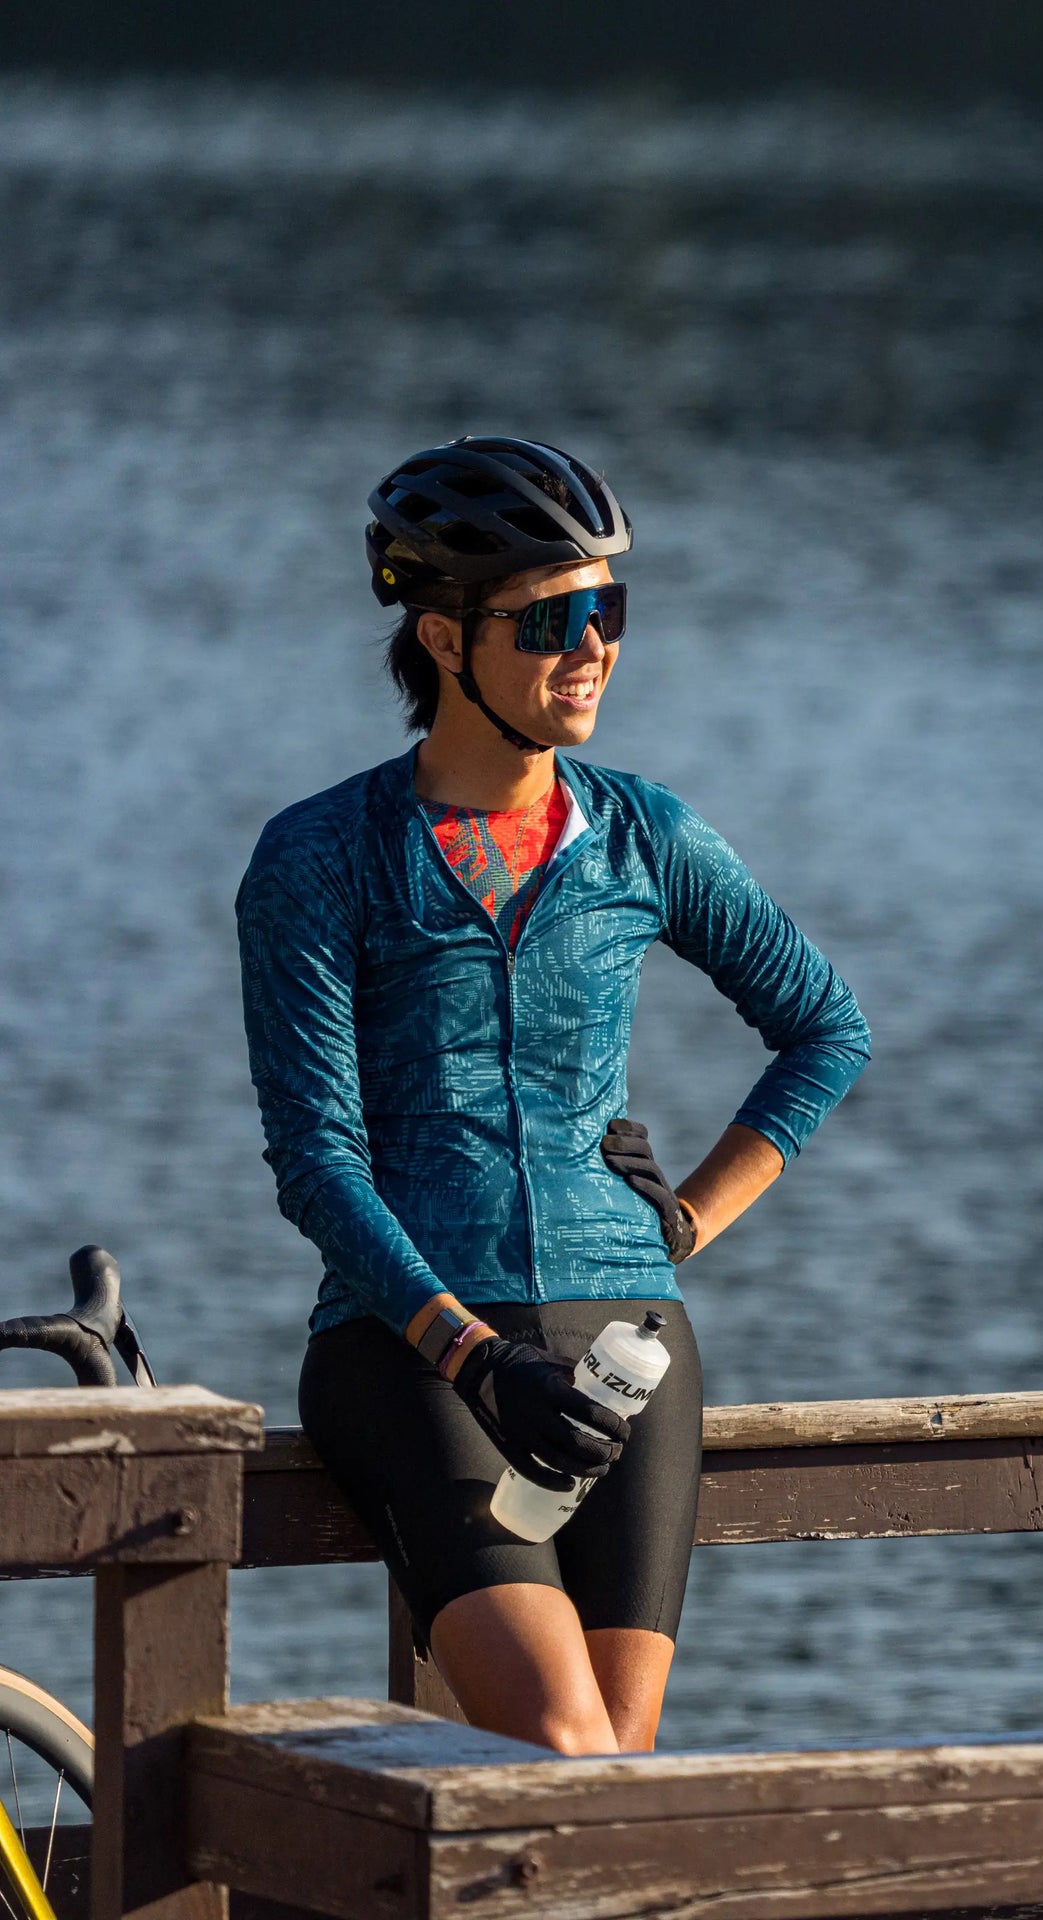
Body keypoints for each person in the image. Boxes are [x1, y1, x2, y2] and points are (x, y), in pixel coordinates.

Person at [237, 437, 870, 1752]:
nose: (594, 648)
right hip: (415, 1354)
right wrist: (475, 1354)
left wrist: (687, 1219)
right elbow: (316, 1160)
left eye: (609, 612)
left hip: (627, 1350)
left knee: (614, 1781)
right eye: (552, 621)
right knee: (561, 1744)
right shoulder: (319, 857)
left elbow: (825, 1028)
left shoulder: (646, 836)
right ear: (445, 640)